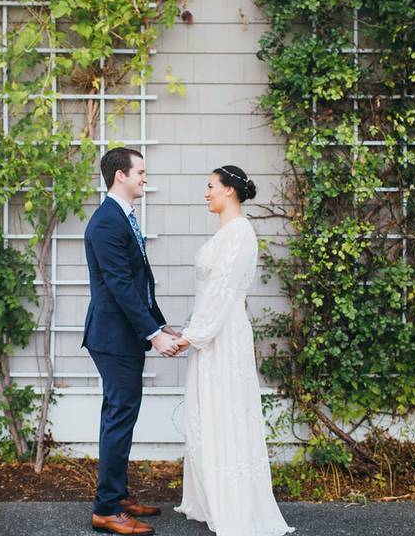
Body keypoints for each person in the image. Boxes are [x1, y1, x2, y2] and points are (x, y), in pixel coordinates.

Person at [173, 165, 295, 536]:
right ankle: (211, 497)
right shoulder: (226, 233)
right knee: (208, 410)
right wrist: (193, 334)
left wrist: (191, 335)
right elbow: (211, 291)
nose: (206, 193)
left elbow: (223, 292)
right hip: (210, 333)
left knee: (226, 410)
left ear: (229, 190)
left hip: (223, 336)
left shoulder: (240, 234)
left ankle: (236, 504)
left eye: (210, 186)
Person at [83, 147, 181, 536]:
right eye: (140, 171)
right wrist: (153, 336)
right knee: (119, 419)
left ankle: (118, 496)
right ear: (119, 175)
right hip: (112, 336)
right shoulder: (107, 222)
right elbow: (120, 287)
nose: (145, 177)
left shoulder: (123, 217)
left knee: (121, 416)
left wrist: (162, 325)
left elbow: (141, 285)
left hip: (122, 335)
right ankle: (106, 509)